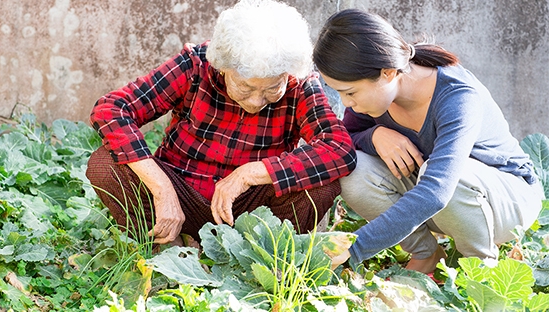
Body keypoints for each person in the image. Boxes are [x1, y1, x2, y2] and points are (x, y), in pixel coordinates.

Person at [85, 0, 356, 246]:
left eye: (272, 88)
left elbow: (339, 149)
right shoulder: (196, 65)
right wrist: (162, 188)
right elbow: (112, 109)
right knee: (104, 166)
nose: (256, 101)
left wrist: (248, 174)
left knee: (321, 185)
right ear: (223, 67)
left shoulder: (300, 84)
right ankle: (166, 243)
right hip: (182, 194)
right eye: (245, 87)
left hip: (251, 210)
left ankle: (260, 251)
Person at [312, 9, 544, 273]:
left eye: (350, 92)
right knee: (352, 169)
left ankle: (481, 267)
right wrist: (373, 136)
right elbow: (345, 140)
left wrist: (353, 250)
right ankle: (426, 254)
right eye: (340, 92)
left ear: (387, 72)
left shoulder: (457, 97)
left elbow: (437, 190)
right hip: (444, 201)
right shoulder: (374, 96)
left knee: (448, 176)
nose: (346, 103)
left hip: (507, 201)